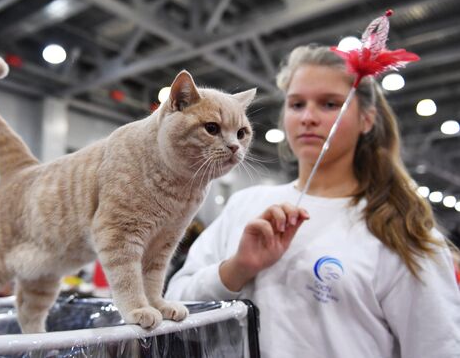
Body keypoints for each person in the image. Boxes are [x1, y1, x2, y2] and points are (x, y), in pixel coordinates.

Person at [165, 45, 460, 358]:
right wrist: (237, 269)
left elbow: (438, 347)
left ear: (366, 120)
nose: (307, 117)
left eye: (329, 104)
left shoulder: (399, 229)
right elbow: (176, 301)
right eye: (296, 104)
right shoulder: (244, 205)